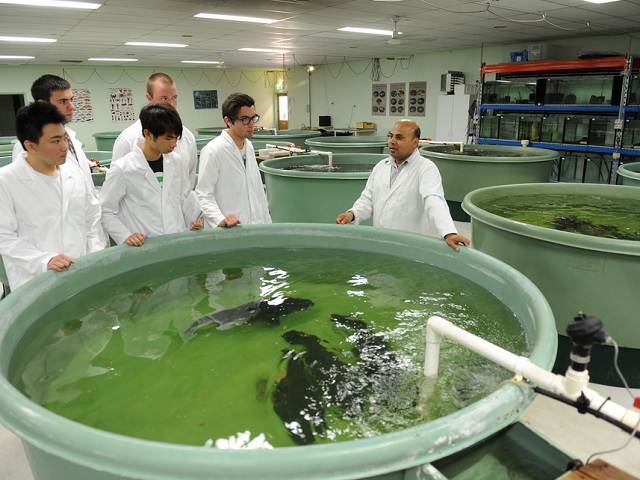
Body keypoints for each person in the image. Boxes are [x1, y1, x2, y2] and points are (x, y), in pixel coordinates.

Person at [0, 102, 104, 290]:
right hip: (35, 282)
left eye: (64, 139)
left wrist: (94, 255)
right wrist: (45, 260)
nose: (64, 147)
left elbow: (92, 218)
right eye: (55, 141)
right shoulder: (6, 182)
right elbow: (4, 237)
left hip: (81, 273)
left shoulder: (74, 173)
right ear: (30, 146)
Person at [336, 119, 470, 251]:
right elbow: (368, 199)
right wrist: (352, 214)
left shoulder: (426, 169)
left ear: (415, 143)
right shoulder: (381, 167)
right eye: (391, 136)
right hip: (380, 243)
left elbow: (434, 201)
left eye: (399, 138)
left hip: (410, 247)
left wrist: (449, 233)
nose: (392, 141)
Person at [99, 103, 202, 247]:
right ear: (148, 134)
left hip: (178, 241)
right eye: (168, 138)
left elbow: (184, 197)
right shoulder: (123, 169)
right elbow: (105, 210)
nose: (174, 144)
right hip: (144, 246)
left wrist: (194, 221)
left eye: (176, 138)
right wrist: (125, 235)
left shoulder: (175, 161)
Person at [195, 93, 271, 228]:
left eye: (253, 118)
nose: (251, 124)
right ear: (228, 121)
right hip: (228, 230)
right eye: (245, 119)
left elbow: (258, 191)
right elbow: (203, 195)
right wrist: (219, 219)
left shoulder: (249, 147)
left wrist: (267, 225)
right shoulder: (213, 150)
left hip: (255, 227)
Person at [112, 72, 198, 187]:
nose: (171, 104)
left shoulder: (187, 137)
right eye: (164, 98)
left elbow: (188, 182)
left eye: (174, 98)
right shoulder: (128, 139)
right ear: (149, 98)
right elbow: (116, 183)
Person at [12, 74, 95, 185]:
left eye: (71, 100)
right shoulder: (28, 144)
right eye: (63, 101)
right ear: (42, 105)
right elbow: (25, 185)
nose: (72, 107)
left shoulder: (70, 137)